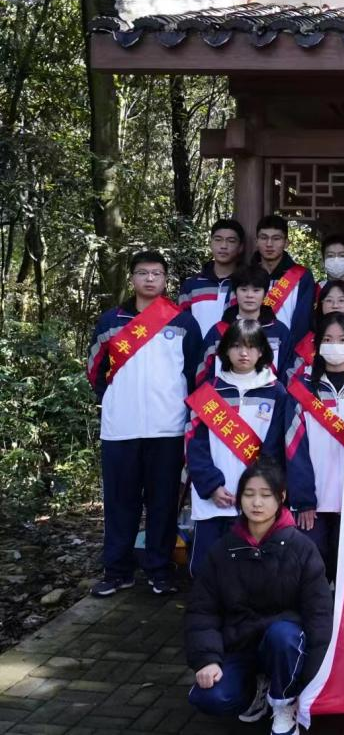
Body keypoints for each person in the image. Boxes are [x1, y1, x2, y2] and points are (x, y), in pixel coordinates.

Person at [185, 459, 333, 735]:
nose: (256, 503)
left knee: (283, 636)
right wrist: (207, 658)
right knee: (209, 697)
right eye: (249, 494)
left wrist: (312, 682)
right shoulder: (223, 550)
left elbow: (320, 616)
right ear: (239, 498)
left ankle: (284, 702)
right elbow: (202, 611)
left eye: (265, 495)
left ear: (281, 497)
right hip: (240, 644)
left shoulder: (302, 549)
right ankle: (256, 690)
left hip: (285, 648)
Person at [86, 250, 203, 596]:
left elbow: (195, 372)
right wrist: (115, 399)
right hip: (120, 428)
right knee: (120, 503)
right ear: (132, 278)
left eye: (156, 273)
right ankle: (117, 570)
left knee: (163, 503)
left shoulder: (183, 322)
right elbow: (95, 369)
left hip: (168, 428)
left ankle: (159, 570)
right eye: (143, 273)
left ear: (165, 279)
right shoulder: (110, 321)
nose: (150, 279)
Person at [185, 319, 286, 577]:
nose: (244, 353)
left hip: (255, 498)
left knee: (252, 568)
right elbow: (195, 445)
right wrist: (212, 486)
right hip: (214, 498)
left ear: (262, 351)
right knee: (207, 567)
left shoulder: (276, 392)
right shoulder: (208, 392)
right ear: (225, 350)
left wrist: (257, 490)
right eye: (237, 346)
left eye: (251, 347)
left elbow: (275, 447)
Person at [285, 312, 344, 581]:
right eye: (327, 339)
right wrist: (303, 499)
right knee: (313, 570)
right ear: (317, 345)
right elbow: (294, 445)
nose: (335, 345)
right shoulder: (302, 388)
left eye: (342, 339)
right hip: (314, 499)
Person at [197, 266, 293, 384]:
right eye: (243, 289)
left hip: (268, 395)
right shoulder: (218, 331)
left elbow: (287, 373)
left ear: (265, 293)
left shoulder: (279, 331)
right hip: (223, 394)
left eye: (256, 290)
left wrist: (277, 394)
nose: (249, 295)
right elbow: (203, 373)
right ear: (235, 292)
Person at [252, 214, 316, 344]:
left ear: (286, 242)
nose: (269, 244)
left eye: (276, 238)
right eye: (264, 238)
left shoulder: (302, 276)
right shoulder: (246, 275)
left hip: (287, 349)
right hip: (249, 348)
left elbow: (303, 321)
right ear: (256, 241)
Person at [179, 218, 246, 338]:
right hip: (198, 349)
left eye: (231, 241)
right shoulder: (191, 285)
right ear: (210, 243)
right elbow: (182, 325)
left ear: (240, 247)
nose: (223, 246)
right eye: (218, 240)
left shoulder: (247, 284)